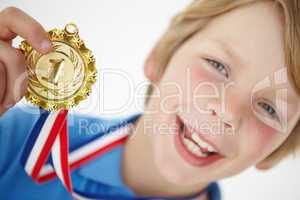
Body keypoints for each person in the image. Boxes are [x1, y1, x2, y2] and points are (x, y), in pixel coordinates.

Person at [0, 0, 300, 199]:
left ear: (277, 149)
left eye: (269, 108)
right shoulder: (13, 137)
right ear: (160, 56)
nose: (227, 112)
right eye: (218, 66)